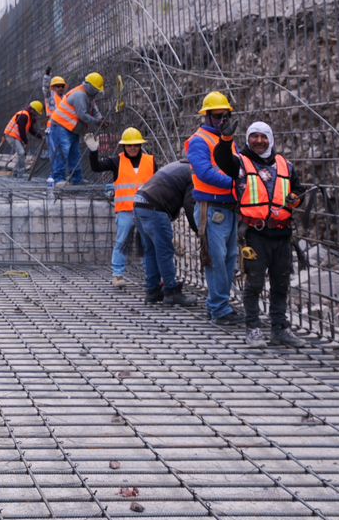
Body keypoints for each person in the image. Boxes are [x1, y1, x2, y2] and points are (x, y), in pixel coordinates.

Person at [235, 121, 306, 348]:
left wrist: (295, 199)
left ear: (271, 139)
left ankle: (279, 329)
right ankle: (253, 328)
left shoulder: (285, 165)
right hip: (255, 234)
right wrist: (225, 140)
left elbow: (299, 190)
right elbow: (221, 160)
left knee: (280, 283)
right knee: (254, 283)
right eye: (254, 136)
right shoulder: (239, 163)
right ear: (248, 138)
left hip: (282, 234)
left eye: (263, 136)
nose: (259, 141)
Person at [186, 91, 242, 325]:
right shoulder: (199, 141)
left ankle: (218, 305)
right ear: (207, 116)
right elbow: (205, 172)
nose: (222, 121)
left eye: (225, 116)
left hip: (229, 207)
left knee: (229, 258)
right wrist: (235, 184)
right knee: (216, 259)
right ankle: (219, 308)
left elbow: (238, 166)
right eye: (218, 116)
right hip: (211, 208)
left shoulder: (228, 140)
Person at [87, 127, 155, 288]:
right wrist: (93, 152)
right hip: (125, 211)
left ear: (140, 145)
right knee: (122, 242)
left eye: (136, 145)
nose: (133, 148)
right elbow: (96, 167)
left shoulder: (150, 161)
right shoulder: (116, 161)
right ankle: (118, 275)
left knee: (148, 243)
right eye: (129, 145)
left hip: (146, 210)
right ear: (124, 146)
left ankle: (151, 275)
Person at [130, 160, 196, 305]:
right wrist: (198, 229)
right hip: (155, 208)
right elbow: (189, 204)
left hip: (139, 204)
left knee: (151, 251)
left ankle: (152, 290)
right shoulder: (194, 173)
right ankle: (171, 291)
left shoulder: (179, 165)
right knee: (164, 251)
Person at [46, 74, 103, 185]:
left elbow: (94, 109)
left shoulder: (89, 96)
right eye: (96, 89)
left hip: (72, 128)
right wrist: (97, 122)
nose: (97, 92)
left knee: (74, 154)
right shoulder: (80, 95)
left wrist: (101, 119)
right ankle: (59, 179)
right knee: (62, 153)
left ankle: (77, 179)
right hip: (61, 126)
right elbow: (82, 115)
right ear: (89, 86)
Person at [2, 101, 45, 177]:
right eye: (36, 113)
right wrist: (25, 141)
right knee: (21, 153)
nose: (36, 115)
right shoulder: (23, 115)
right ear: (32, 110)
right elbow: (21, 129)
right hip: (11, 135)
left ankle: (16, 171)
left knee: (22, 154)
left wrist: (40, 136)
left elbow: (31, 130)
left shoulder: (28, 117)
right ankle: (20, 172)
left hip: (15, 137)